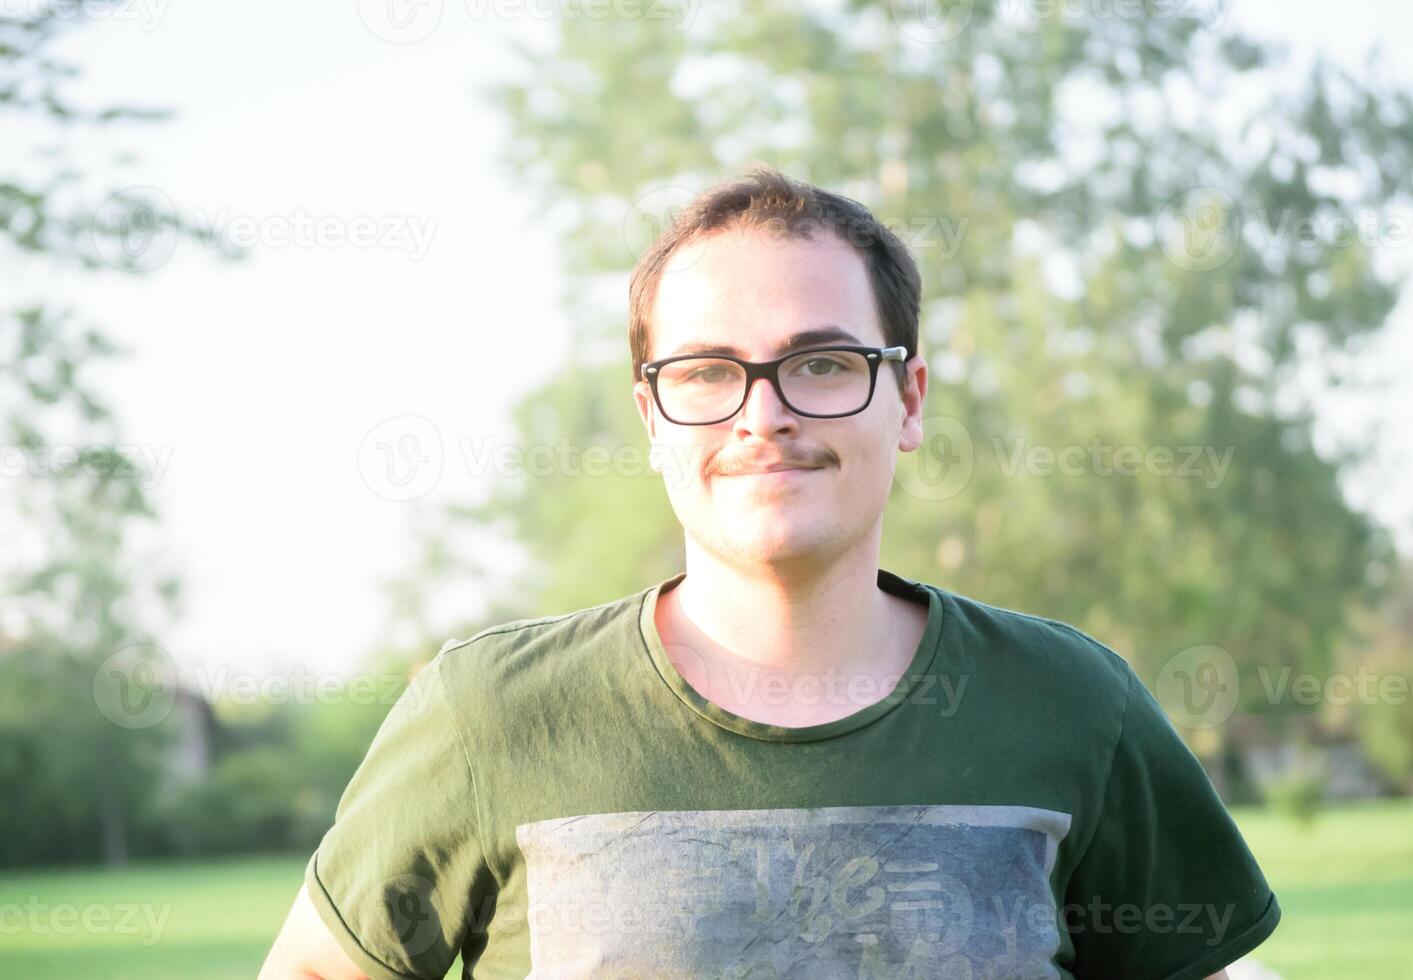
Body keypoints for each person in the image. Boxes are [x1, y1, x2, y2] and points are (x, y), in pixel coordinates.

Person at [260, 165, 1279, 979]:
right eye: (706, 372)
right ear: (652, 416)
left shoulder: (1071, 702)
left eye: (823, 363)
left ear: (910, 398)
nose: (764, 413)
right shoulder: (492, 711)